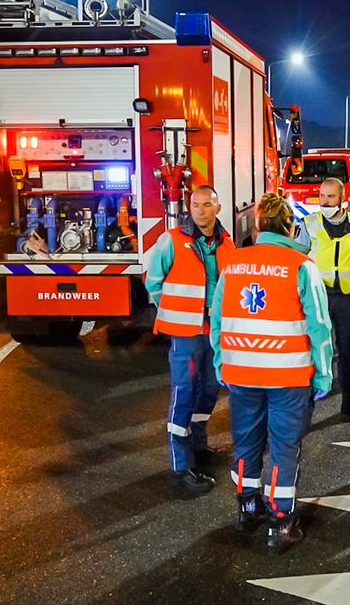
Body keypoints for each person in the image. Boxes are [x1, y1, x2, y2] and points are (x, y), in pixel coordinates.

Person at [210, 193, 334, 552]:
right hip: (288, 376)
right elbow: (319, 327)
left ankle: (247, 509)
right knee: (283, 445)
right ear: (291, 227)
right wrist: (323, 375)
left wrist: (221, 362)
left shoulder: (233, 264)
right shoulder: (301, 266)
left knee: (246, 441)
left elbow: (216, 319)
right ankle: (281, 524)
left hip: (241, 374)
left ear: (259, 225)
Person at [146, 186, 232, 495]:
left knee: (209, 391)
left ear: (217, 208)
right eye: (194, 205)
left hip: (214, 333)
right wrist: (173, 312)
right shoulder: (171, 240)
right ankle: (180, 467)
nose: (199, 210)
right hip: (185, 334)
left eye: (206, 205)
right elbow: (153, 282)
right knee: (183, 395)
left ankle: (198, 446)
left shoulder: (227, 243)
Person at [298, 177, 350, 421]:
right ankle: (303, 405)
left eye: (331, 196)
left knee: (347, 353)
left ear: (342, 198)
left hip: (348, 297)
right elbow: (295, 258)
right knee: (310, 350)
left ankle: (349, 401)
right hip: (317, 296)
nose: (325, 201)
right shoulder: (309, 223)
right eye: (322, 196)